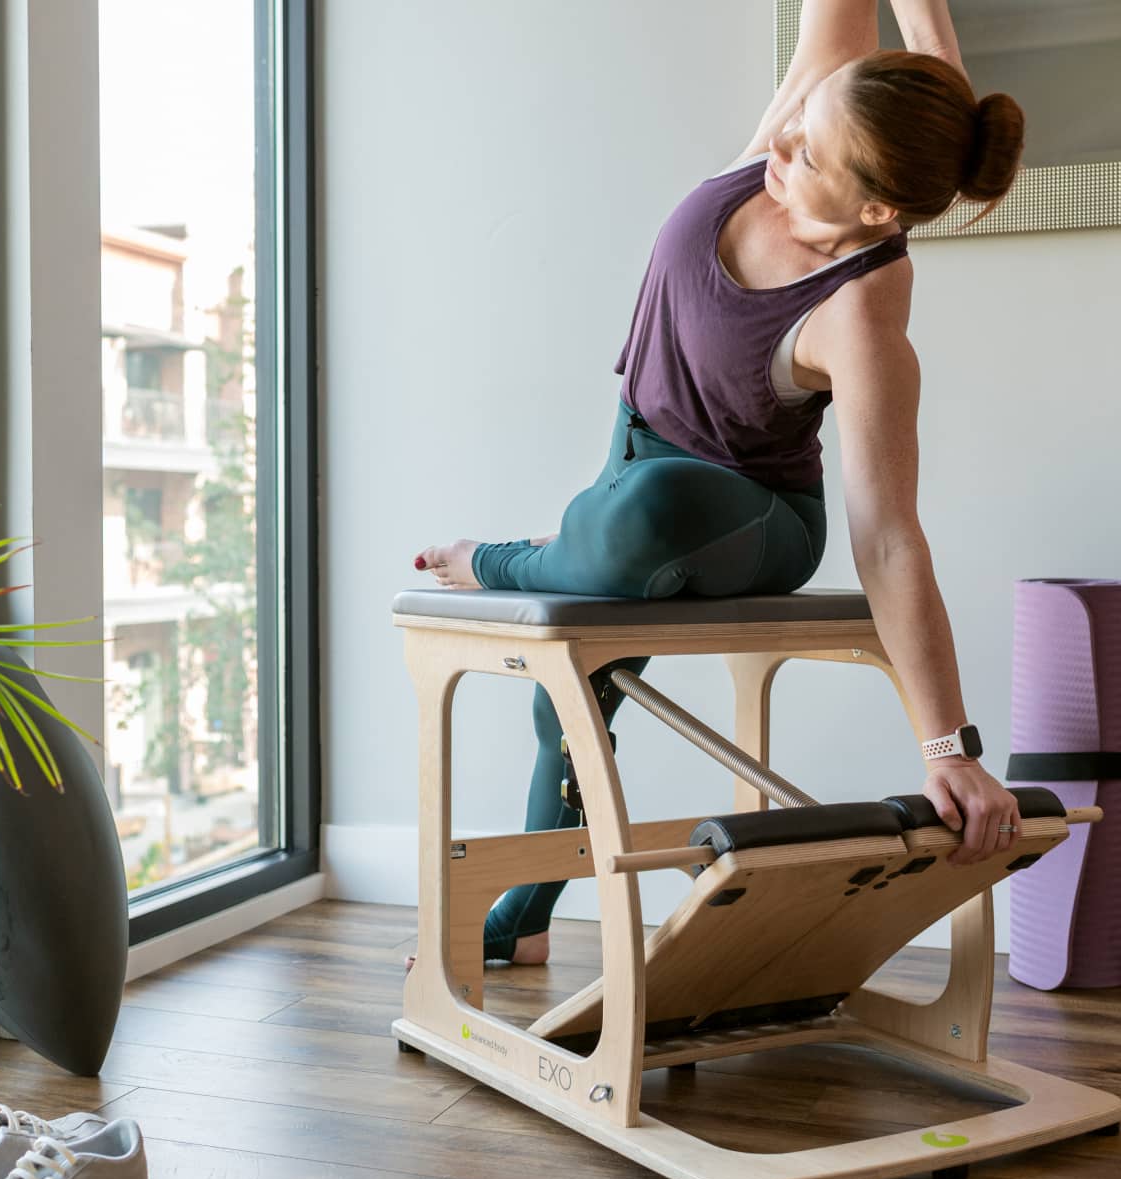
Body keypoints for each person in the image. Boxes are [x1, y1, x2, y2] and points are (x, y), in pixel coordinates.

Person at [413, 0, 1028, 967]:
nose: (782, 143)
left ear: (875, 210)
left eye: (811, 156)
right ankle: (525, 925)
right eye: (800, 126)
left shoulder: (860, 318)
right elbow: (841, 15)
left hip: (750, 517)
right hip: (633, 465)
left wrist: (949, 751)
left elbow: (891, 538)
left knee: (644, 519)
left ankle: (498, 561)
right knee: (569, 693)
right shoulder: (797, 143)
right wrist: (938, 43)